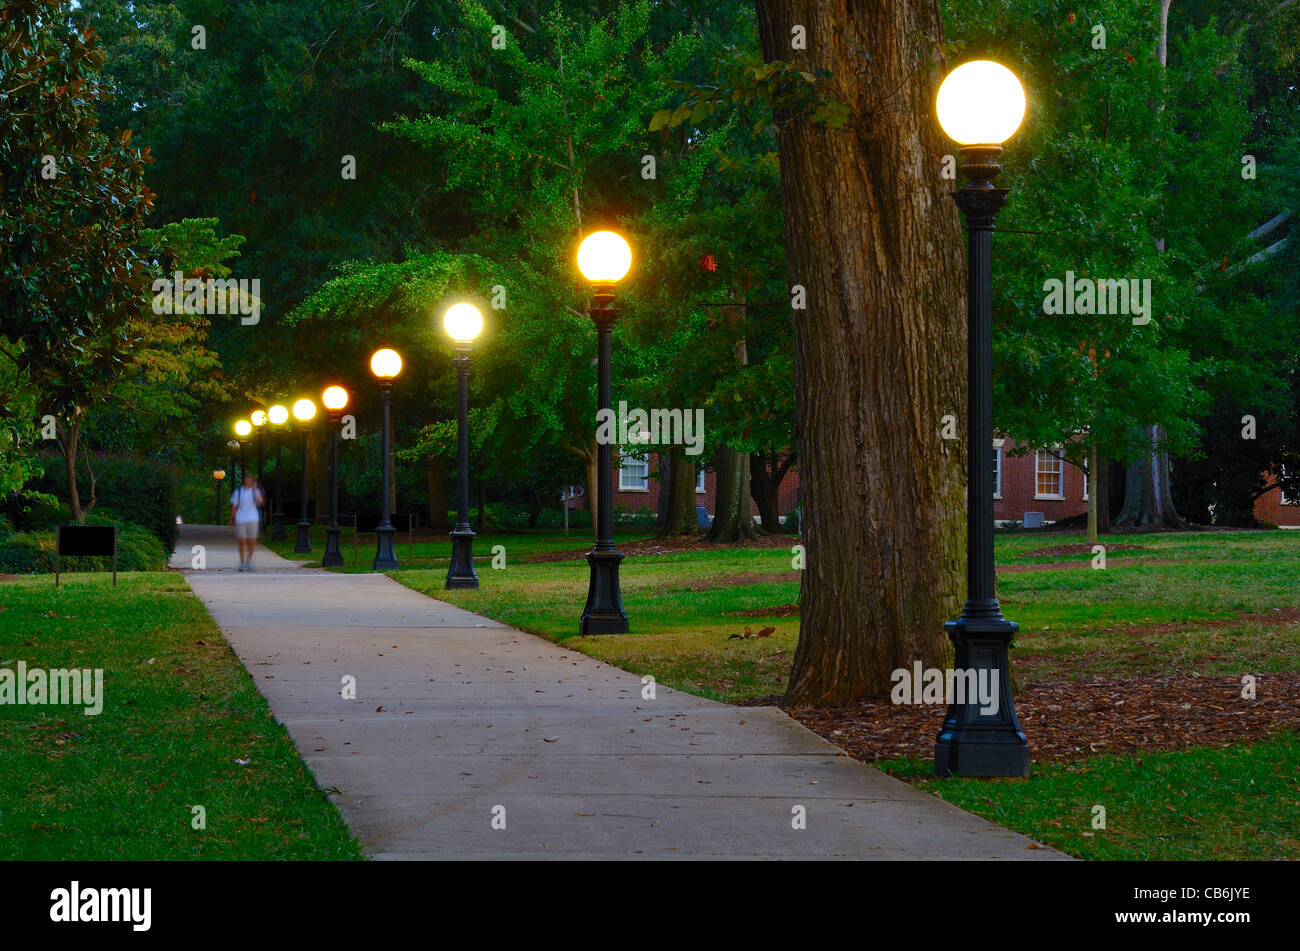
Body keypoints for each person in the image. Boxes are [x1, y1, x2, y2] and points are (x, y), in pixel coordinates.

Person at [229, 474, 265, 571]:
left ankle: (248, 562)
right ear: (244, 481)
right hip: (241, 518)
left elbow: (260, 502)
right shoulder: (238, 492)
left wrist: (255, 489)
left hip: (253, 519)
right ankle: (242, 562)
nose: (248, 481)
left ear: (252, 481)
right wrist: (232, 518)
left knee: (251, 541)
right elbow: (234, 506)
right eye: (246, 479)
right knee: (242, 540)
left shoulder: (256, 491)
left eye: (250, 480)